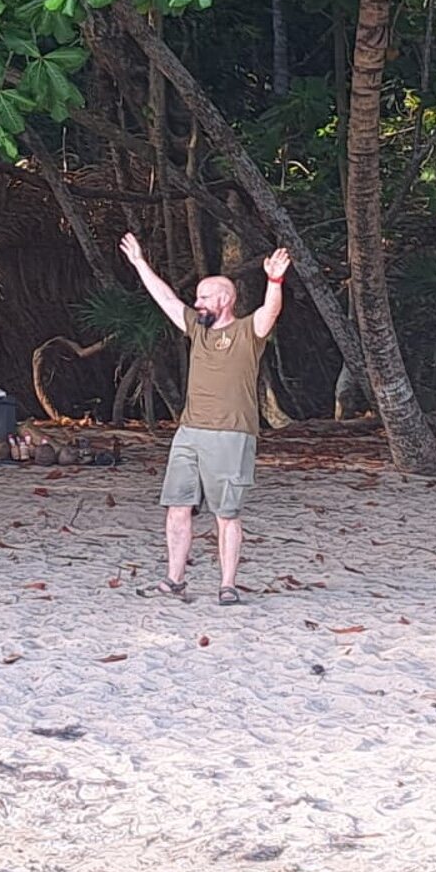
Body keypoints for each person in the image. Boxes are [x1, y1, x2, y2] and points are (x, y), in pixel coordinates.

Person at [120, 233, 291, 605]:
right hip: (189, 433)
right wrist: (139, 262)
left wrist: (274, 281)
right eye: (196, 297)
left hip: (231, 435)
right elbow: (166, 298)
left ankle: (227, 584)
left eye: (203, 297)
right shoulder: (196, 329)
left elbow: (270, 312)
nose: (195, 303)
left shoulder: (248, 332)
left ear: (225, 300)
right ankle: (174, 579)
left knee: (226, 513)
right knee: (177, 507)